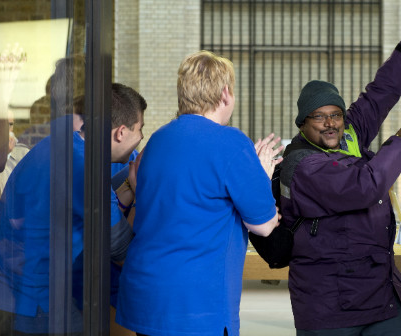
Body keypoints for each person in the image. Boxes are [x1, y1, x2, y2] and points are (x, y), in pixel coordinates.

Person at [277, 0, 401, 335]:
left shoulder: (348, 135)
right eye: (319, 117)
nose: (331, 123)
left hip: (378, 291)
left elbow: (381, 91)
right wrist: (400, 140)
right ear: (303, 124)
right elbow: (363, 185)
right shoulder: (302, 164)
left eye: (336, 114)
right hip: (330, 303)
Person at [116, 50, 282, 336]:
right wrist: (261, 176)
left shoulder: (157, 140)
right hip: (196, 305)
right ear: (226, 94)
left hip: (147, 295)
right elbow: (265, 225)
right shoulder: (231, 142)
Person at [0, 82, 147, 335]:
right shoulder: (86, 168)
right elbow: (121, 248)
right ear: (121, 132)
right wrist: (141, 189)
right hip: (36, 302)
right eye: (140, 130)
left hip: (10, 289)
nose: (140, 138)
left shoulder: (60, 144)